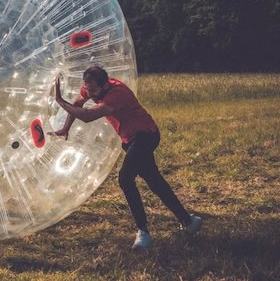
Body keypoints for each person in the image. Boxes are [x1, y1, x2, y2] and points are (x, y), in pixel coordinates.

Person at [51, 65, 202, 249]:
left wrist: (59, 100)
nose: (89, 94)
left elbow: (88, 116)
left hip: (145, 136)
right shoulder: (90, 89)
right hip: (130, 140)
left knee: (125, 179)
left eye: (93, 90)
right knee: (154, 181)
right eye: (87, 89)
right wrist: (66, 129)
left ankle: (143, 232)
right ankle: (189, 222)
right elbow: (77, 105)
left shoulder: (117, 93)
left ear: (105, 85)